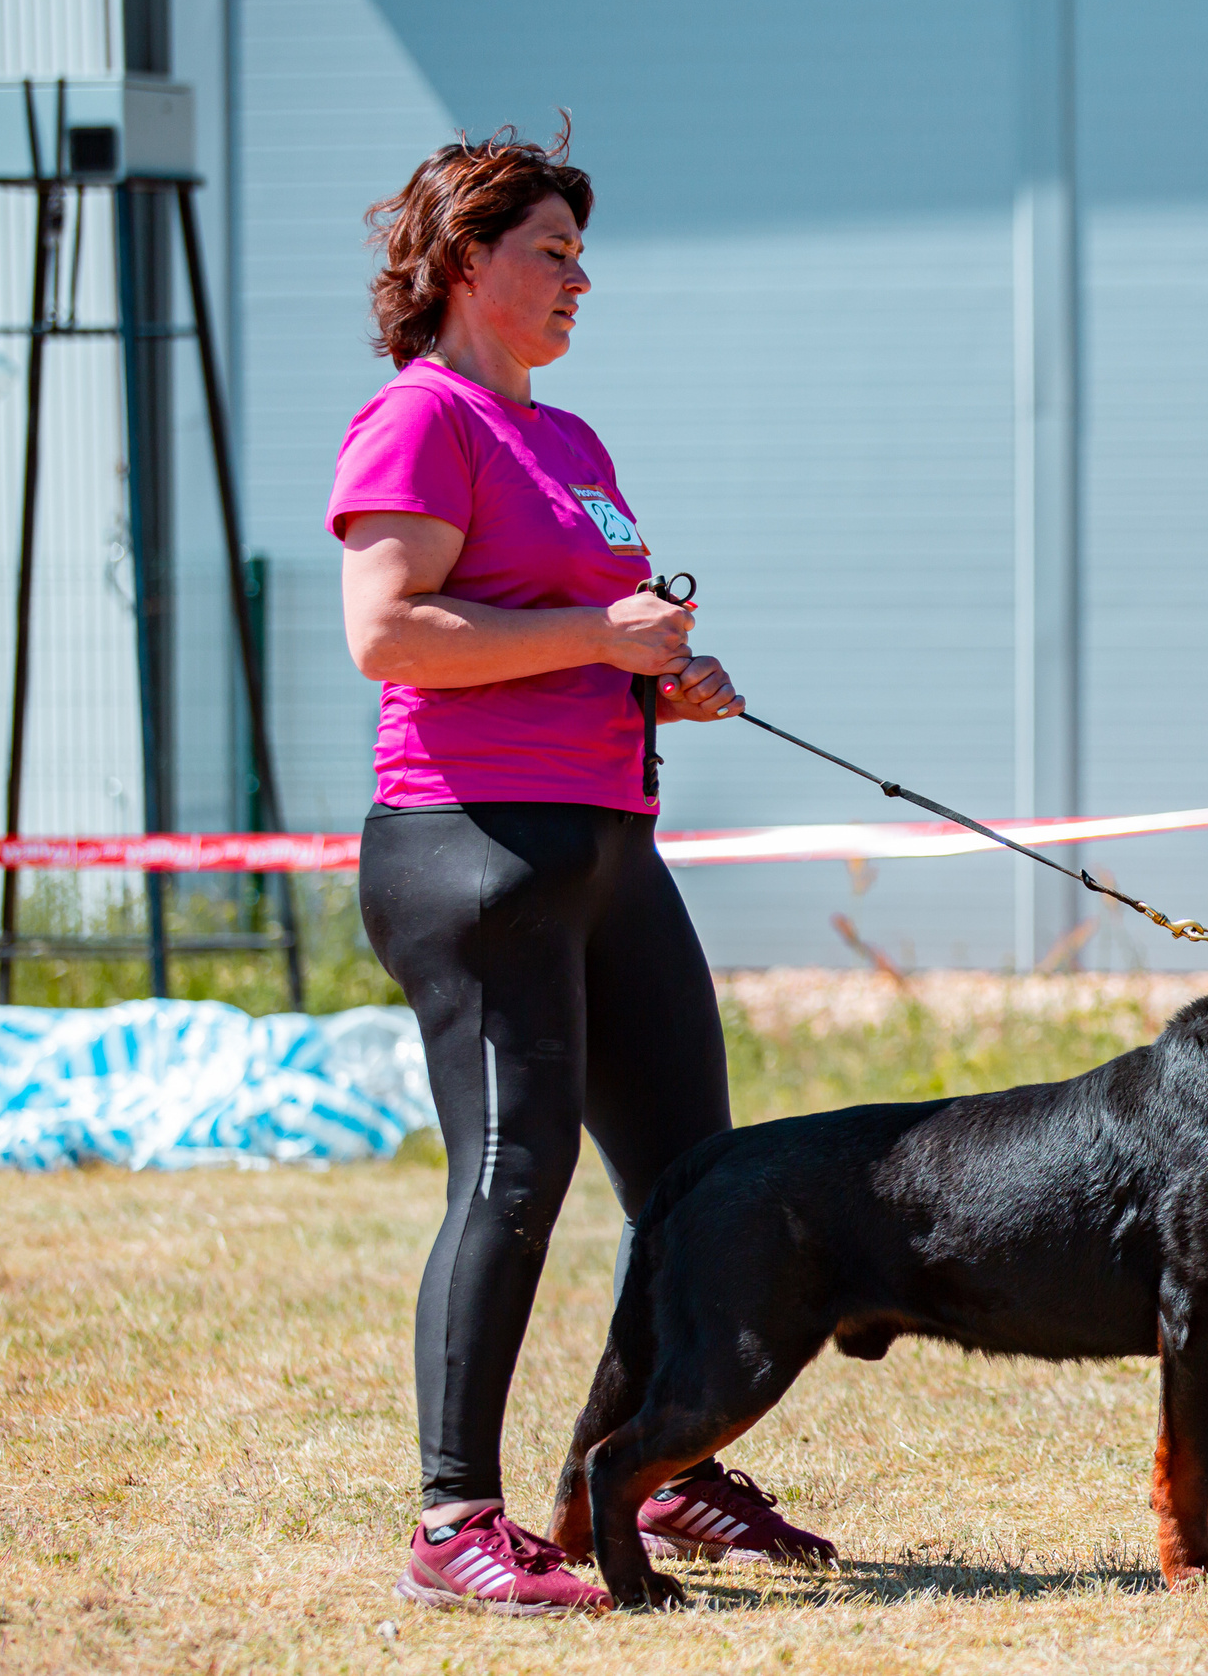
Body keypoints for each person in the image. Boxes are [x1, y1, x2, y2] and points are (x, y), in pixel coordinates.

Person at [329, 124, 836, 1616]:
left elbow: (578, 628)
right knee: (515, 1172)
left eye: (580, 253)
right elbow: (389, 633)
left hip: (610, 835)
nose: (577, 279)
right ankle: (452, 1522)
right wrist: (597, 640)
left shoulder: (571, 441)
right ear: (466, 263)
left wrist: (661, 677)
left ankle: (652, 1467)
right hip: (473, 841)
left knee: (696, 1182)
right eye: (550, 251)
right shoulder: (418, 419)